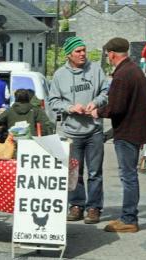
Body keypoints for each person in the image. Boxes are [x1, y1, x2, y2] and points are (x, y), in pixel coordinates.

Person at [91, 37, 146, 233]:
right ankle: (128, 216)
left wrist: (96, 111)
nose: (108, 57)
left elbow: (116, 107)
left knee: (128, 176)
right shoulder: (135, 71)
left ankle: (128, 219)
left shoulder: (122, 74)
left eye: (107, 54)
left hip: (127, 132)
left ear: (112, 54)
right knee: (130, 175)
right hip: (134, 130)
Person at [48, 36, 108, 224]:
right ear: (69, 55)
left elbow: (105, 92)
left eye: (84, 50)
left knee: (95, 173)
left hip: (94, 131)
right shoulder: (59, 75)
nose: (83, 54)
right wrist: (70, 108)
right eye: (78, 51)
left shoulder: (96, 69)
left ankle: (94, 208)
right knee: (74, 172)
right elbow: (53, 101)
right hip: (71, 132)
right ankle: (76, 205)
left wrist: (95, 102)